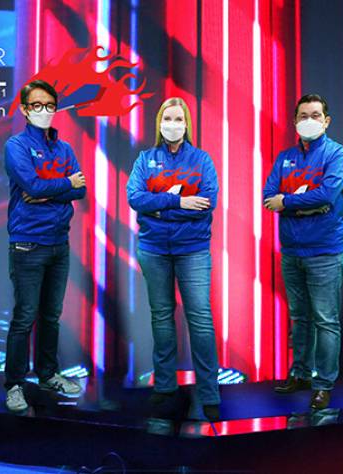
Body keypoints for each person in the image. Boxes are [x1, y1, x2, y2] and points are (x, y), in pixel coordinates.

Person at [126, 97, 221, 421]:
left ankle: (209, 392)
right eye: (167, 118)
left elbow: (207, 203)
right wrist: (179, 202)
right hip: (154, 249)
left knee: (200, 319)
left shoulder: (202, 160)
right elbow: (135, 198)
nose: (173, 124)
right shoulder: (145, 159)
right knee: (162, 317)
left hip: (193, 250)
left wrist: (158, 209)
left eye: (178, 119)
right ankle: (165, 386)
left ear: (187, 124)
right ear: (159, 123)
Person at [263, 94, 343, 410]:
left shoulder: (337, 154)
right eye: (303, 115)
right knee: (299, 317)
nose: (309, 120)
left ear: (326, 121)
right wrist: (306, 206)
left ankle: (323, 384)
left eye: (315, 115)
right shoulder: (285, 157)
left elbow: (326, 194)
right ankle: (300, 374)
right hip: (291, 251)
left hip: (326, 251)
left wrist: (288, 203)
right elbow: (268, 195)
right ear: (295, 121)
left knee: (326, 320)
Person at [3, 79, 86, 412]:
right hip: (27, 244)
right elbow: (33, 186)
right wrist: (63, 184)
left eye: (49, 105)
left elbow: (80, 189)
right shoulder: (16, 146)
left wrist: (46, 190)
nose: (44, 111)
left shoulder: (64, 149)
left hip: (58, 244)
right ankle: (14, 384)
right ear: (25, 110)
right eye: (36, 105)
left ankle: (48, 374)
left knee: (51, 315)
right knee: (25, 317)